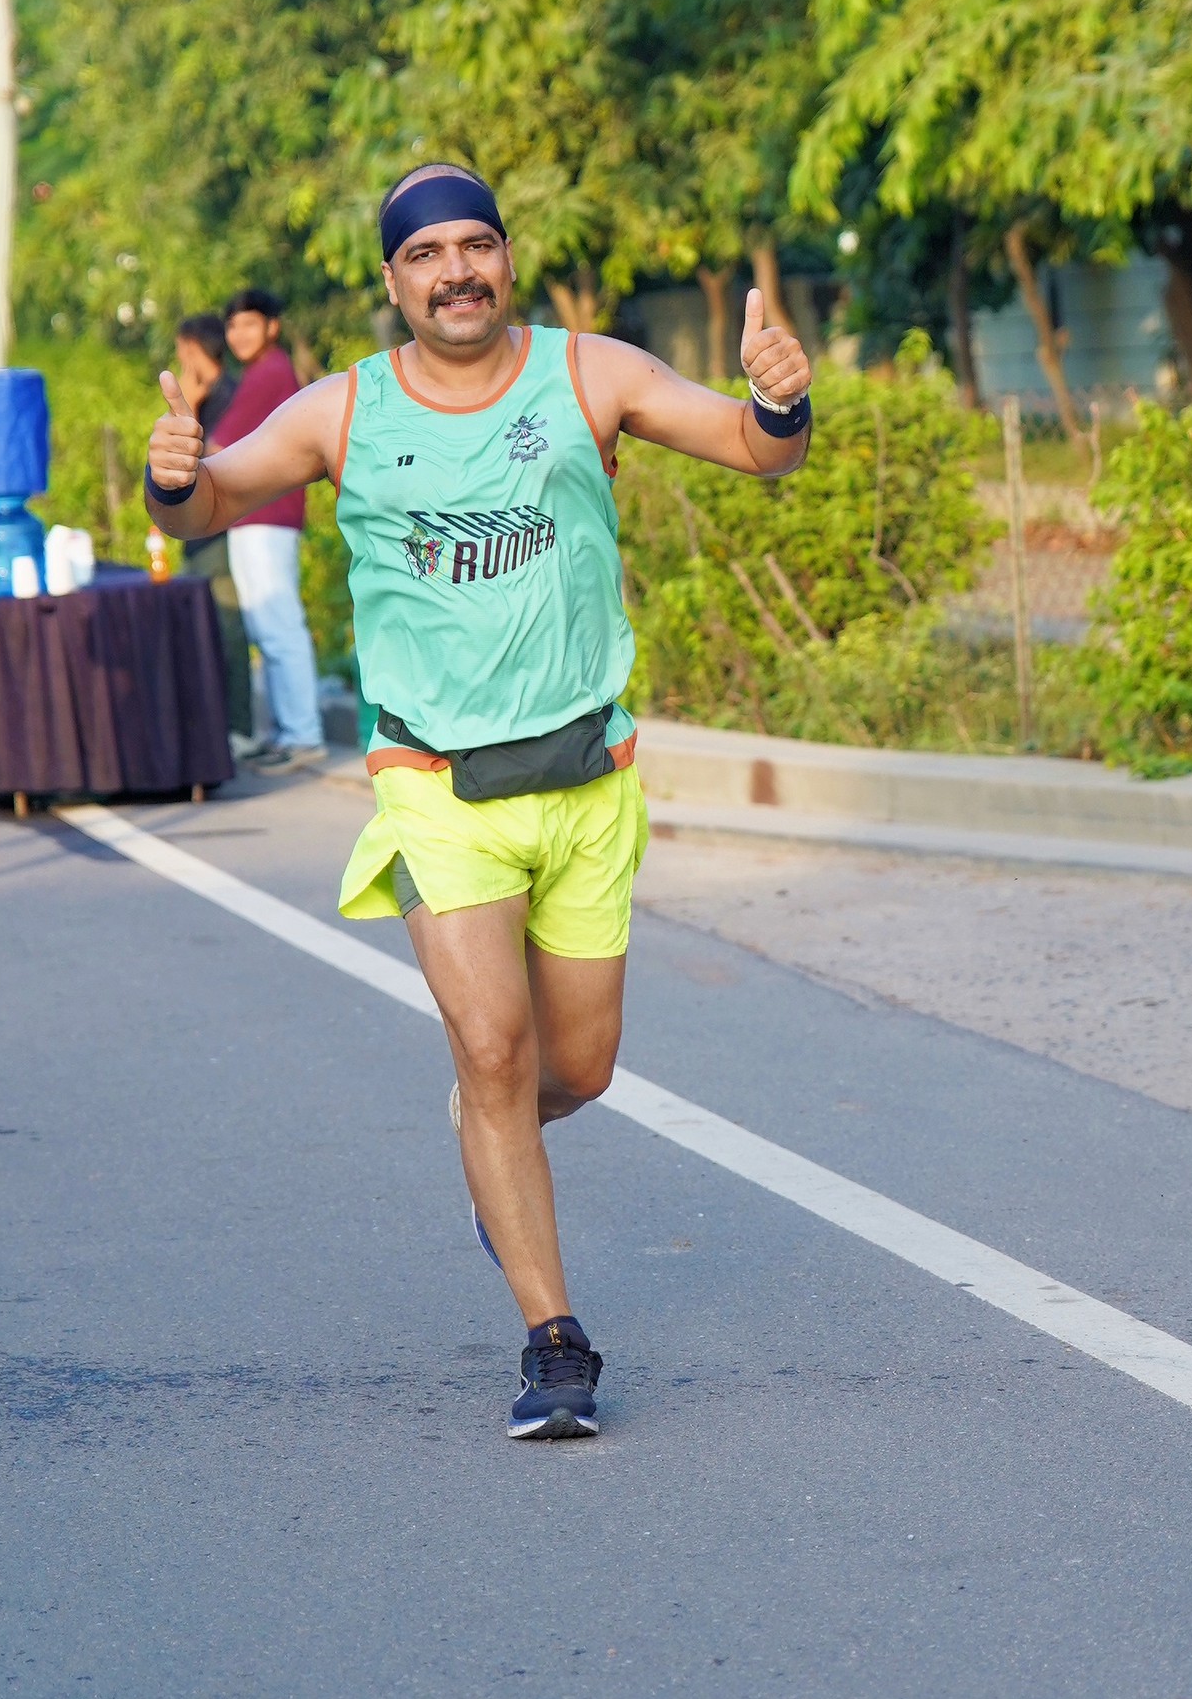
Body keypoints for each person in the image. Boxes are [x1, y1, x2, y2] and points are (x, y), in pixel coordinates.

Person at [144, 164, 812, 1440]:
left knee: (578, 1070)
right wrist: (176, 475)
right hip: (437, 786)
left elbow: (751, 446)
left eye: (475, 246)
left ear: (505, 259)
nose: (455, 271)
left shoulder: (590, 374)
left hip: (586, 779)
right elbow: (207, 502)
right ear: (392, 280)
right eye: (425, 254)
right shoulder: (346, 410)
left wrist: (781, 401)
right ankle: (555, 1343)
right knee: (495, 1050)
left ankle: (487, 1136)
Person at [212, 287, 326, 771]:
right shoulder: (263, 371)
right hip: (258, 517)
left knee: (278, 626)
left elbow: (218, 445)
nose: (238, 334)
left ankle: (303, 736)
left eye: (249, 323)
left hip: (267, 516)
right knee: (270, 628)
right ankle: (290, 734)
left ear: (272, 327)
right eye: (232, 325)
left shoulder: (270, 371)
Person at [171, 313, 254, 749]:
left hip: (223, 531)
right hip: (197, 534)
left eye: (182, 351)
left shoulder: (230, 395)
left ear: (192, 348)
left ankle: (239, 728)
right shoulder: (203, 396)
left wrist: (188, 404)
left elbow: (213, 462)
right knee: (198, 629)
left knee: (227, 626)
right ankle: (210, 727)